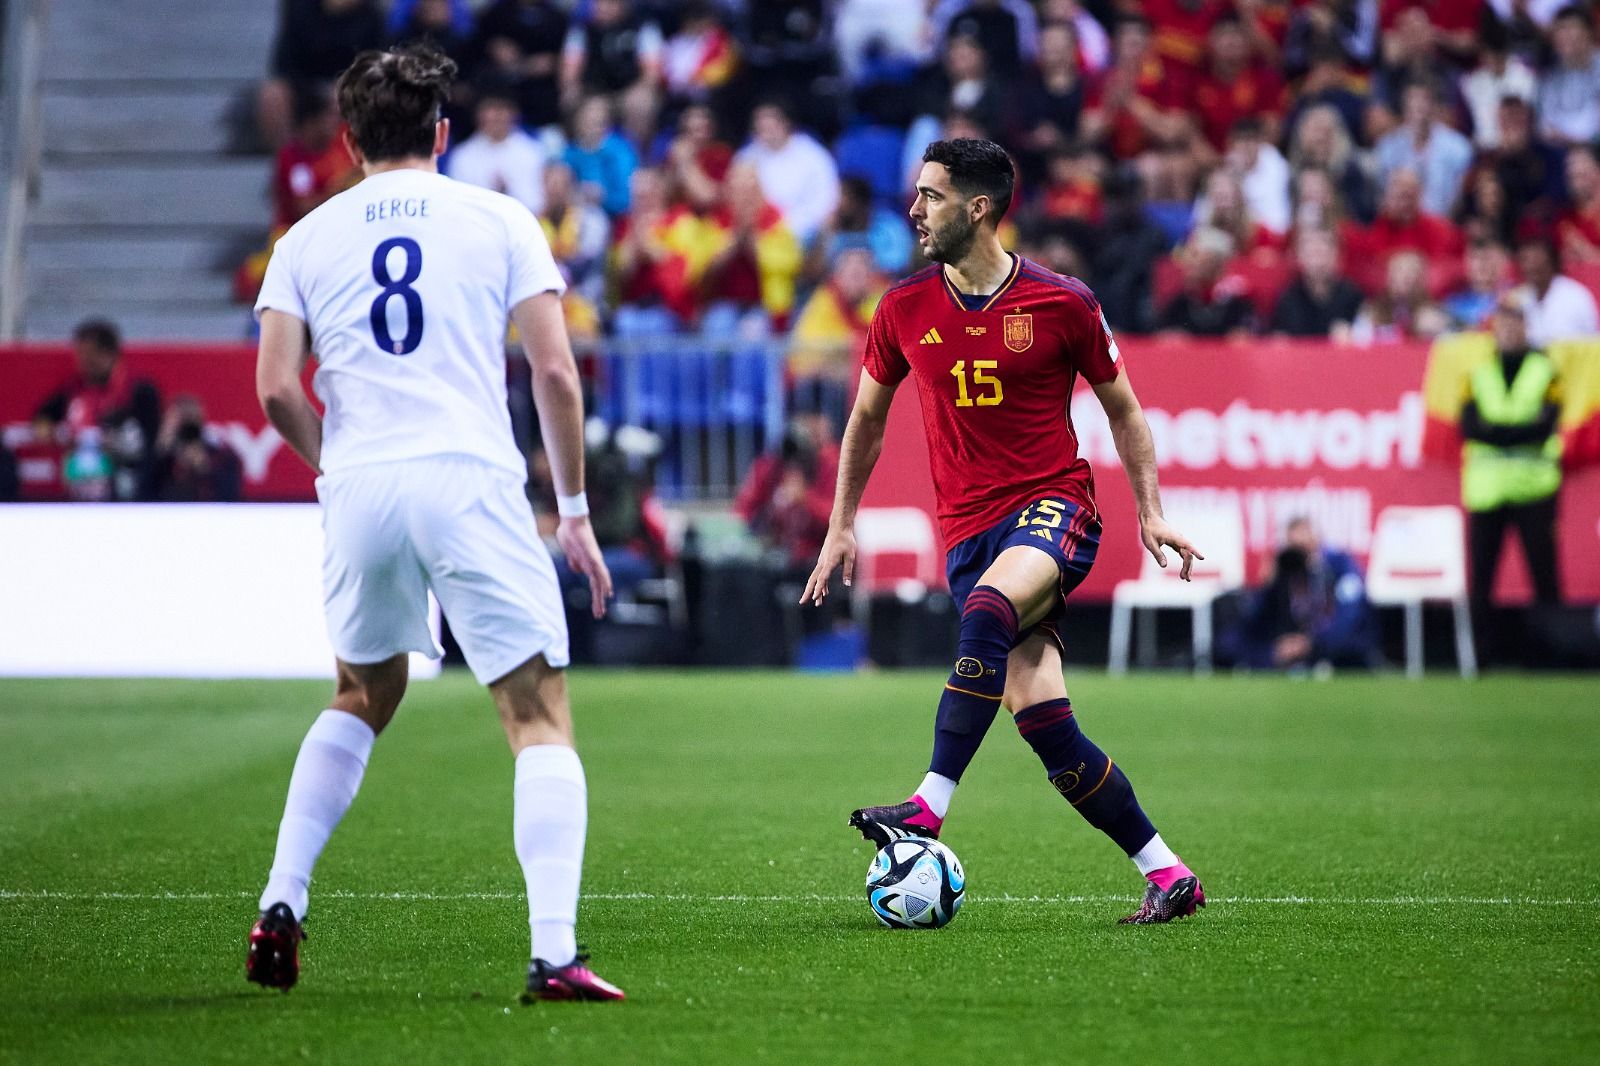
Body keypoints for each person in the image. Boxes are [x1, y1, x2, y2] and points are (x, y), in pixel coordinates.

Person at [247, 44, 622, 1002]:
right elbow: (553, 373)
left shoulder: (304, 239)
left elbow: (276, 388)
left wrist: (337, 465)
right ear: (443, 133)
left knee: (361, 692)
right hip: (468, 478)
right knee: (536, 716)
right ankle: (553, 953)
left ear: (347, 140)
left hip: (363, 481)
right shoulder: (498, 218)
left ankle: (281, 899)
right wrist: (572, 511)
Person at [801, 138, 1207, 925]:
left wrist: (1150, 511)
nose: (914, 210)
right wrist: (840, 523)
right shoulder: (902, 307)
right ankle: (1167, 874)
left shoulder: (1062, 302)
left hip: (1054, 507)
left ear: (978, 208)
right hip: (967, 532)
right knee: (1046, 723)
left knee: (988, 611)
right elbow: (865, 421)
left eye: (931, 196)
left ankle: (927, 805)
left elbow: (1123, 409)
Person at [1461, 294, 1564, 655]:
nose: (1507, 329)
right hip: (1487, 489)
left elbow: (1547, 424)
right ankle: (1478, 658)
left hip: (1533, 487)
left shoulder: (1545, 370)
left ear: (1526, 326)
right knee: (1482, 578)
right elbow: (1470, 426)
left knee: (1544, 575)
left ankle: (1554, 654)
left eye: (1514, 322)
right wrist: (1519, 428)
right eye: (1501, 322)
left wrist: (1498, 431)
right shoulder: (1479, 373)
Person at [1218, 517, 1377, 672]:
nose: (1302, 553)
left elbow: (1349, 614)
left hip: (1331, 644)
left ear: (1316, 540)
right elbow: (1256, 617)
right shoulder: (1286, 568)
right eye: (1295, 547)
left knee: (1352, 641)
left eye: (1305, 545)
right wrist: (1268, 584)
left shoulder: (1339, 564)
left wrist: (1312, 643)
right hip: (1290, 640)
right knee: (1232, 641)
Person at [34, 318, 162, 502]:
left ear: (108, 354)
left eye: (89, 358)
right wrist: (54, 433)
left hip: (125, 484)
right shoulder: (73, 388)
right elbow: (42, 417)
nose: (82, 363)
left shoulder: (139, 392)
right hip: (77, 481)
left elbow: (151, 446)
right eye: (80, 357)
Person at [444, 90, 547, 213]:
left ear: (514, 113)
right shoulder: (462, 156)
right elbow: (458, 207)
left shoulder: (533, 152)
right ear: (478, 113)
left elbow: (539, 204)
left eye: (503, 108)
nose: (497, 116)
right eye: (491, 108)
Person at [1270, 227, 1364, 338]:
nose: (1318, 262)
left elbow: (1366, 337)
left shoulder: (1351, 296)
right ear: (1300, 257)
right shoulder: (1288, 298)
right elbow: (1278, 339)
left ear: (1336, 255)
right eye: (1312, 254)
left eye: (1323, 253)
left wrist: (1354, 336)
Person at [1514, 235, 1600, 346]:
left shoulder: (1575, 296)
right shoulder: (1518, 298)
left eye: (1536, 260)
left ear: (1551, 263)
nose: (1531, 266)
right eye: (1525, 260)